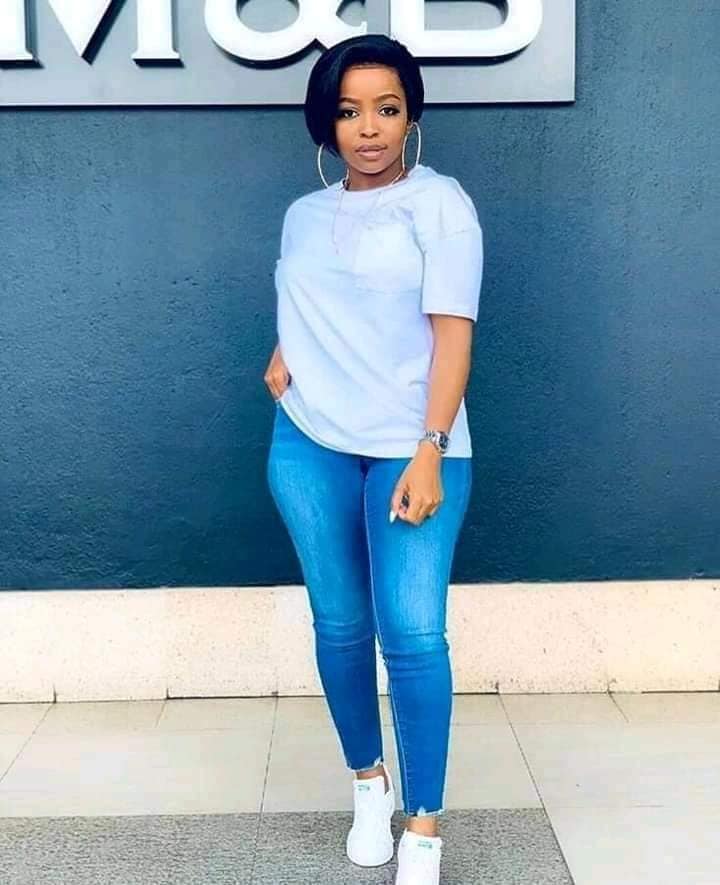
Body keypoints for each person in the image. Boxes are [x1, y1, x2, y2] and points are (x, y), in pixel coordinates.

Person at [264, 32, 484, 885]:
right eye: (350, 111)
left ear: (410, 117)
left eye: (386, 109)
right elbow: (313, 300)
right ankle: (369, 784)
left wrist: (430, 449)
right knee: (340, 626)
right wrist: (283, 353)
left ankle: (422, 825)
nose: (368, 128)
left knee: (414, 633)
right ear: (327, 122)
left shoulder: (441, 205)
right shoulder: (303, 214)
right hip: (309, 442)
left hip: (413, 445)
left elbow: (451, 336)